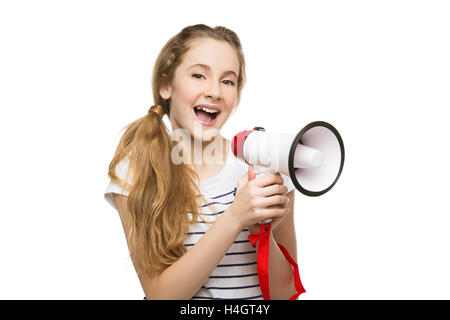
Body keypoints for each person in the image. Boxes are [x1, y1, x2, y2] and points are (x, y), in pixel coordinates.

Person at [104, 24, 299, 300]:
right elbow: (160, 295)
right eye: (198, 75)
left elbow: (287, 293)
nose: (215, 92)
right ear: (165, 85)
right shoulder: (135, 172)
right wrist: (235, 216)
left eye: (228, 81)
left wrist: (263, 233)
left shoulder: (267, 165)